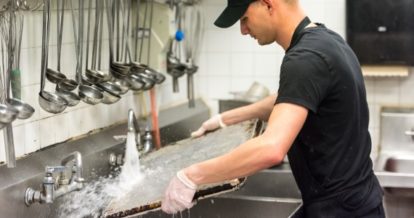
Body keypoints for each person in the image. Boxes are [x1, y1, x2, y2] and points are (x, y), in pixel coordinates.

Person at [161, 0, 385, 217]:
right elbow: (293, 97)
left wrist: (192, 175)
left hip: (340, 210)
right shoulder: (326, 40)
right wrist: (225, 119)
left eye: (244, 18)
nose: (243, 30)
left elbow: (271, 149)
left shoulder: (304, 58)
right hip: (354, 201)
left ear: (268, 4)